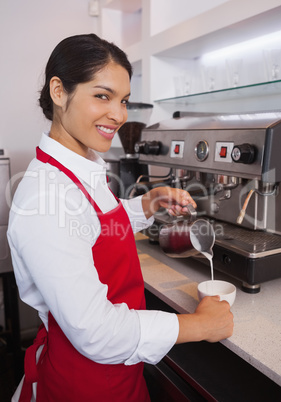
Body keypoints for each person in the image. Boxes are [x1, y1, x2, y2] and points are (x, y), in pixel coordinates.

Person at [7, 34, 233, 402]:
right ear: (59, 91)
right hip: (85, 384)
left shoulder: (78, 170)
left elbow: (91, 227)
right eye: (102, 96)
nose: (119, 114)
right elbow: (96, 331)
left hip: (117, 375)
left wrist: (146, 205)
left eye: (124, 100)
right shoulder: (46, 198)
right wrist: (200, 325)